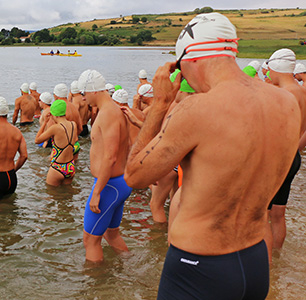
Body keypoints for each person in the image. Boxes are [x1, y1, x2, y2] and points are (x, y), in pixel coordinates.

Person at [125, 13, 299, 299]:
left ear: (190, 59)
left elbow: (135, 176)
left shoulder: (196, 109)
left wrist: (160, 104)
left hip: (199, 267)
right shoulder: (286, 102)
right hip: (254, 260)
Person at [77, 70, 132, 263]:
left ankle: (95, 286)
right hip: (118, 182)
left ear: (93, 90)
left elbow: (110, 156)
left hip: (109, 185)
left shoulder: (108, 113)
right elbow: (128, 146)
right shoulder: (114, 110)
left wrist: (97, 191)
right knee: (111, 234)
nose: (83, 99)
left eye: (84, 93)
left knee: (90, 240)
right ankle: (129, 265)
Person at [265, 48, 305, 252]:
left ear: (276, 67)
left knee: (261, 214)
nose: (268, 73)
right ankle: (277, 257)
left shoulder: (283, 94)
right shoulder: (301, 91)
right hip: (293, 157)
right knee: (278, 214)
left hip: (278, 159)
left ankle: (266, 262)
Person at [35, 99, 80, 186]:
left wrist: (45, 122)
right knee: (67, 195)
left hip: (58, 167)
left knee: (51, 195)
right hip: (70, 166)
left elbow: (37, 140)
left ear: (53, 114)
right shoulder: (73, 124)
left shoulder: (55, 128)